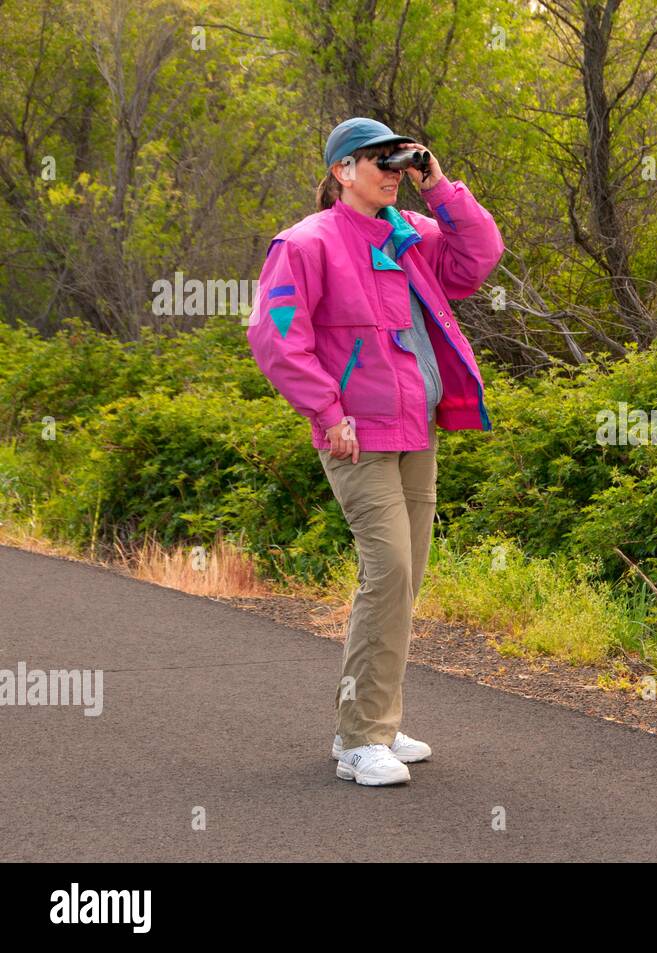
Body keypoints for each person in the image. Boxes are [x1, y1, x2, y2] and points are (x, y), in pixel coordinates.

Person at [246, 117, 504, 786]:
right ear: (342, 171)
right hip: (354, 436)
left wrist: (438, 183)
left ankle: (376, 720)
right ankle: (359, 739)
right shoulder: (306, 244)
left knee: (407, 576)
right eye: (377, 161)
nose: (392, 171)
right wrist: (327, 411)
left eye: (398, 160)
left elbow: (479, 258)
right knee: (387, 570)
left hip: (417, 428)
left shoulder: (411, 235)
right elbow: (276, 337)